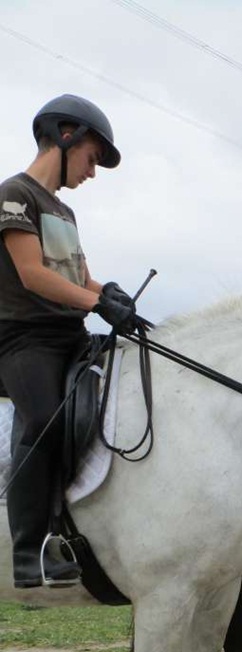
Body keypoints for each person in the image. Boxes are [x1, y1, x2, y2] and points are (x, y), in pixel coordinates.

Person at [0, 94, 137, 589]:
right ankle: (28, 550)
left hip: (69, 334)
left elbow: (81, 276)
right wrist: (93, 301)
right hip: (24, 340)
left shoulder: (65, 212)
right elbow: (34, 275)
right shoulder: (14, 195)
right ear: (65, 135)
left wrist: (111, 294)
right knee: (42, 417)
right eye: (92, 158)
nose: (93, 172)